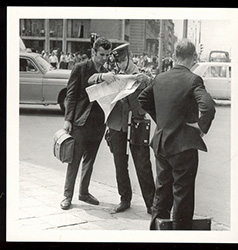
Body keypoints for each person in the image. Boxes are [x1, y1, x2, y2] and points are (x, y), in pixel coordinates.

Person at [138, 39, 216, 230]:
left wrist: (162, 121)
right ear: (194, 58)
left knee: (162, 192)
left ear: (174, 56)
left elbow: (143, 99)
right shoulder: (193, 80)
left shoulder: (160, 78)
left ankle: (156, 233)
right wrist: (200, 127)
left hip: (162, 144)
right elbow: (208, 106)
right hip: (183, 147)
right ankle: (180, 237)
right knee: (182, 195)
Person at [88, 43, 155, 214]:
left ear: (129, 57)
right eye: (118, 62)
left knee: (142, 164)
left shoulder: (139, 72)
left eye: (123, 61)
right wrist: (103, 76)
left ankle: (151, 203)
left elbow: (153, 84)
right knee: (120, 163)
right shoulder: (111, 72)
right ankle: (124, 198)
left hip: (136, 123)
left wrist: (145, 81)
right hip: (117, 124)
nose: (121, 65)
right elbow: (91, 79)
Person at [60, 37, 119, 210]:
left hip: (98, 123)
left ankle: (83, 192)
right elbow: (71, 95)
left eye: (107, 55)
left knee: (90, 160)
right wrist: (67, 120)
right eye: (101, 54)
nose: (104, 58)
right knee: (74, 160)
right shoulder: (80, 68)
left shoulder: (107, 71)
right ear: (93, 52)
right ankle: (67, 195)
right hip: (80, 121)